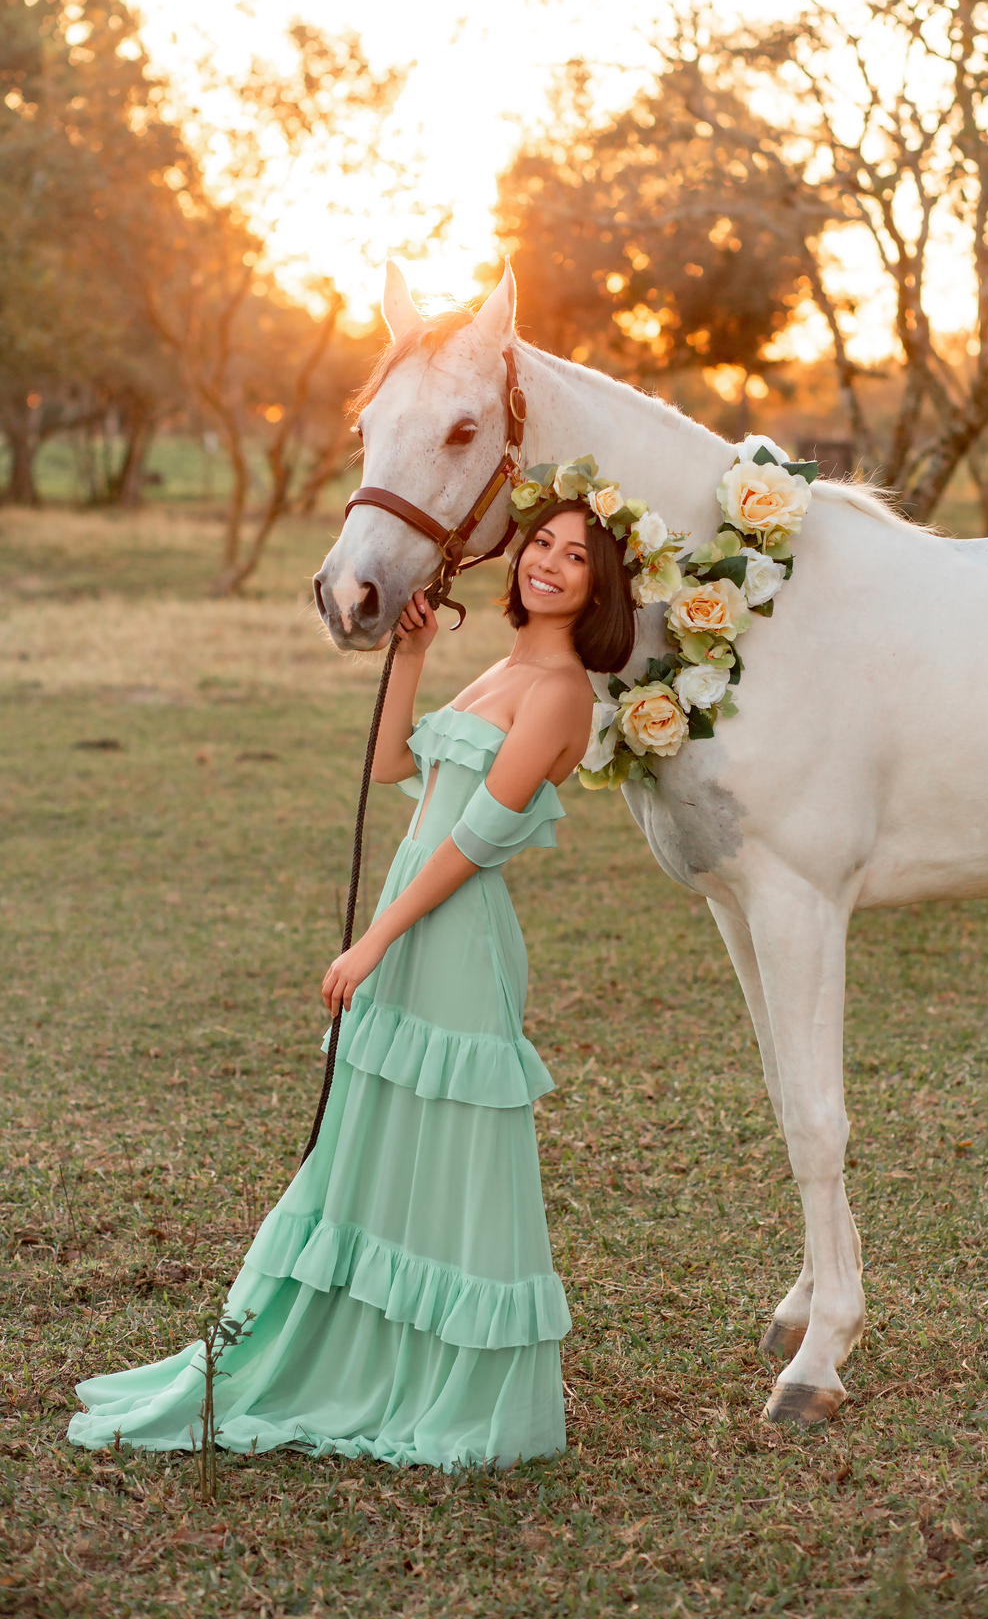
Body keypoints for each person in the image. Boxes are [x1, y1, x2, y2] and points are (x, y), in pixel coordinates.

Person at [68, 499, 635, 1470]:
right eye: (540, 540)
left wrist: (374, 941)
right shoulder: (505, 666)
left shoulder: (564, 693)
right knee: (370, 1148)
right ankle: (346, 1341)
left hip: (449, 938)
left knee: (450, 1157)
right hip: (409, 919)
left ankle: (446, 1377)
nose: (547, 561)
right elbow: (391, 768)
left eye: (575, 555)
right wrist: (407, 657)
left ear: (600, 584)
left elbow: (473, 842)